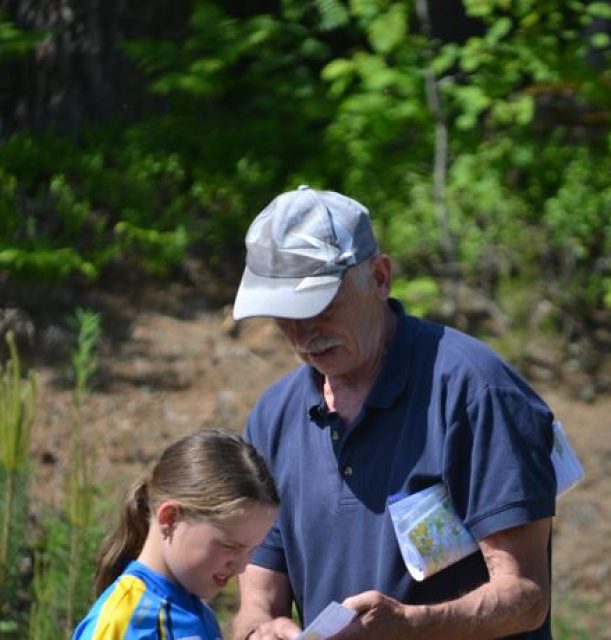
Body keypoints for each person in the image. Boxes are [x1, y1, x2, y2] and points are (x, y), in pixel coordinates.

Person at [229, 185, 557, 640]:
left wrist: (409, 626)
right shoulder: (274, 416)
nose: (303, 333)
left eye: (320, 306)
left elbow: (526, 596)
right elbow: (255, 603)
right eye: (284, 314)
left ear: (380, 278)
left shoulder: (476, 391)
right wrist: (261, 631)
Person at [72, 428, 279, 640]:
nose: (242, 566)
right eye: (230, 546)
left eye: (252, 550)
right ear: (170, 518)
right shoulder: (125, 621)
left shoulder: (196, 611)